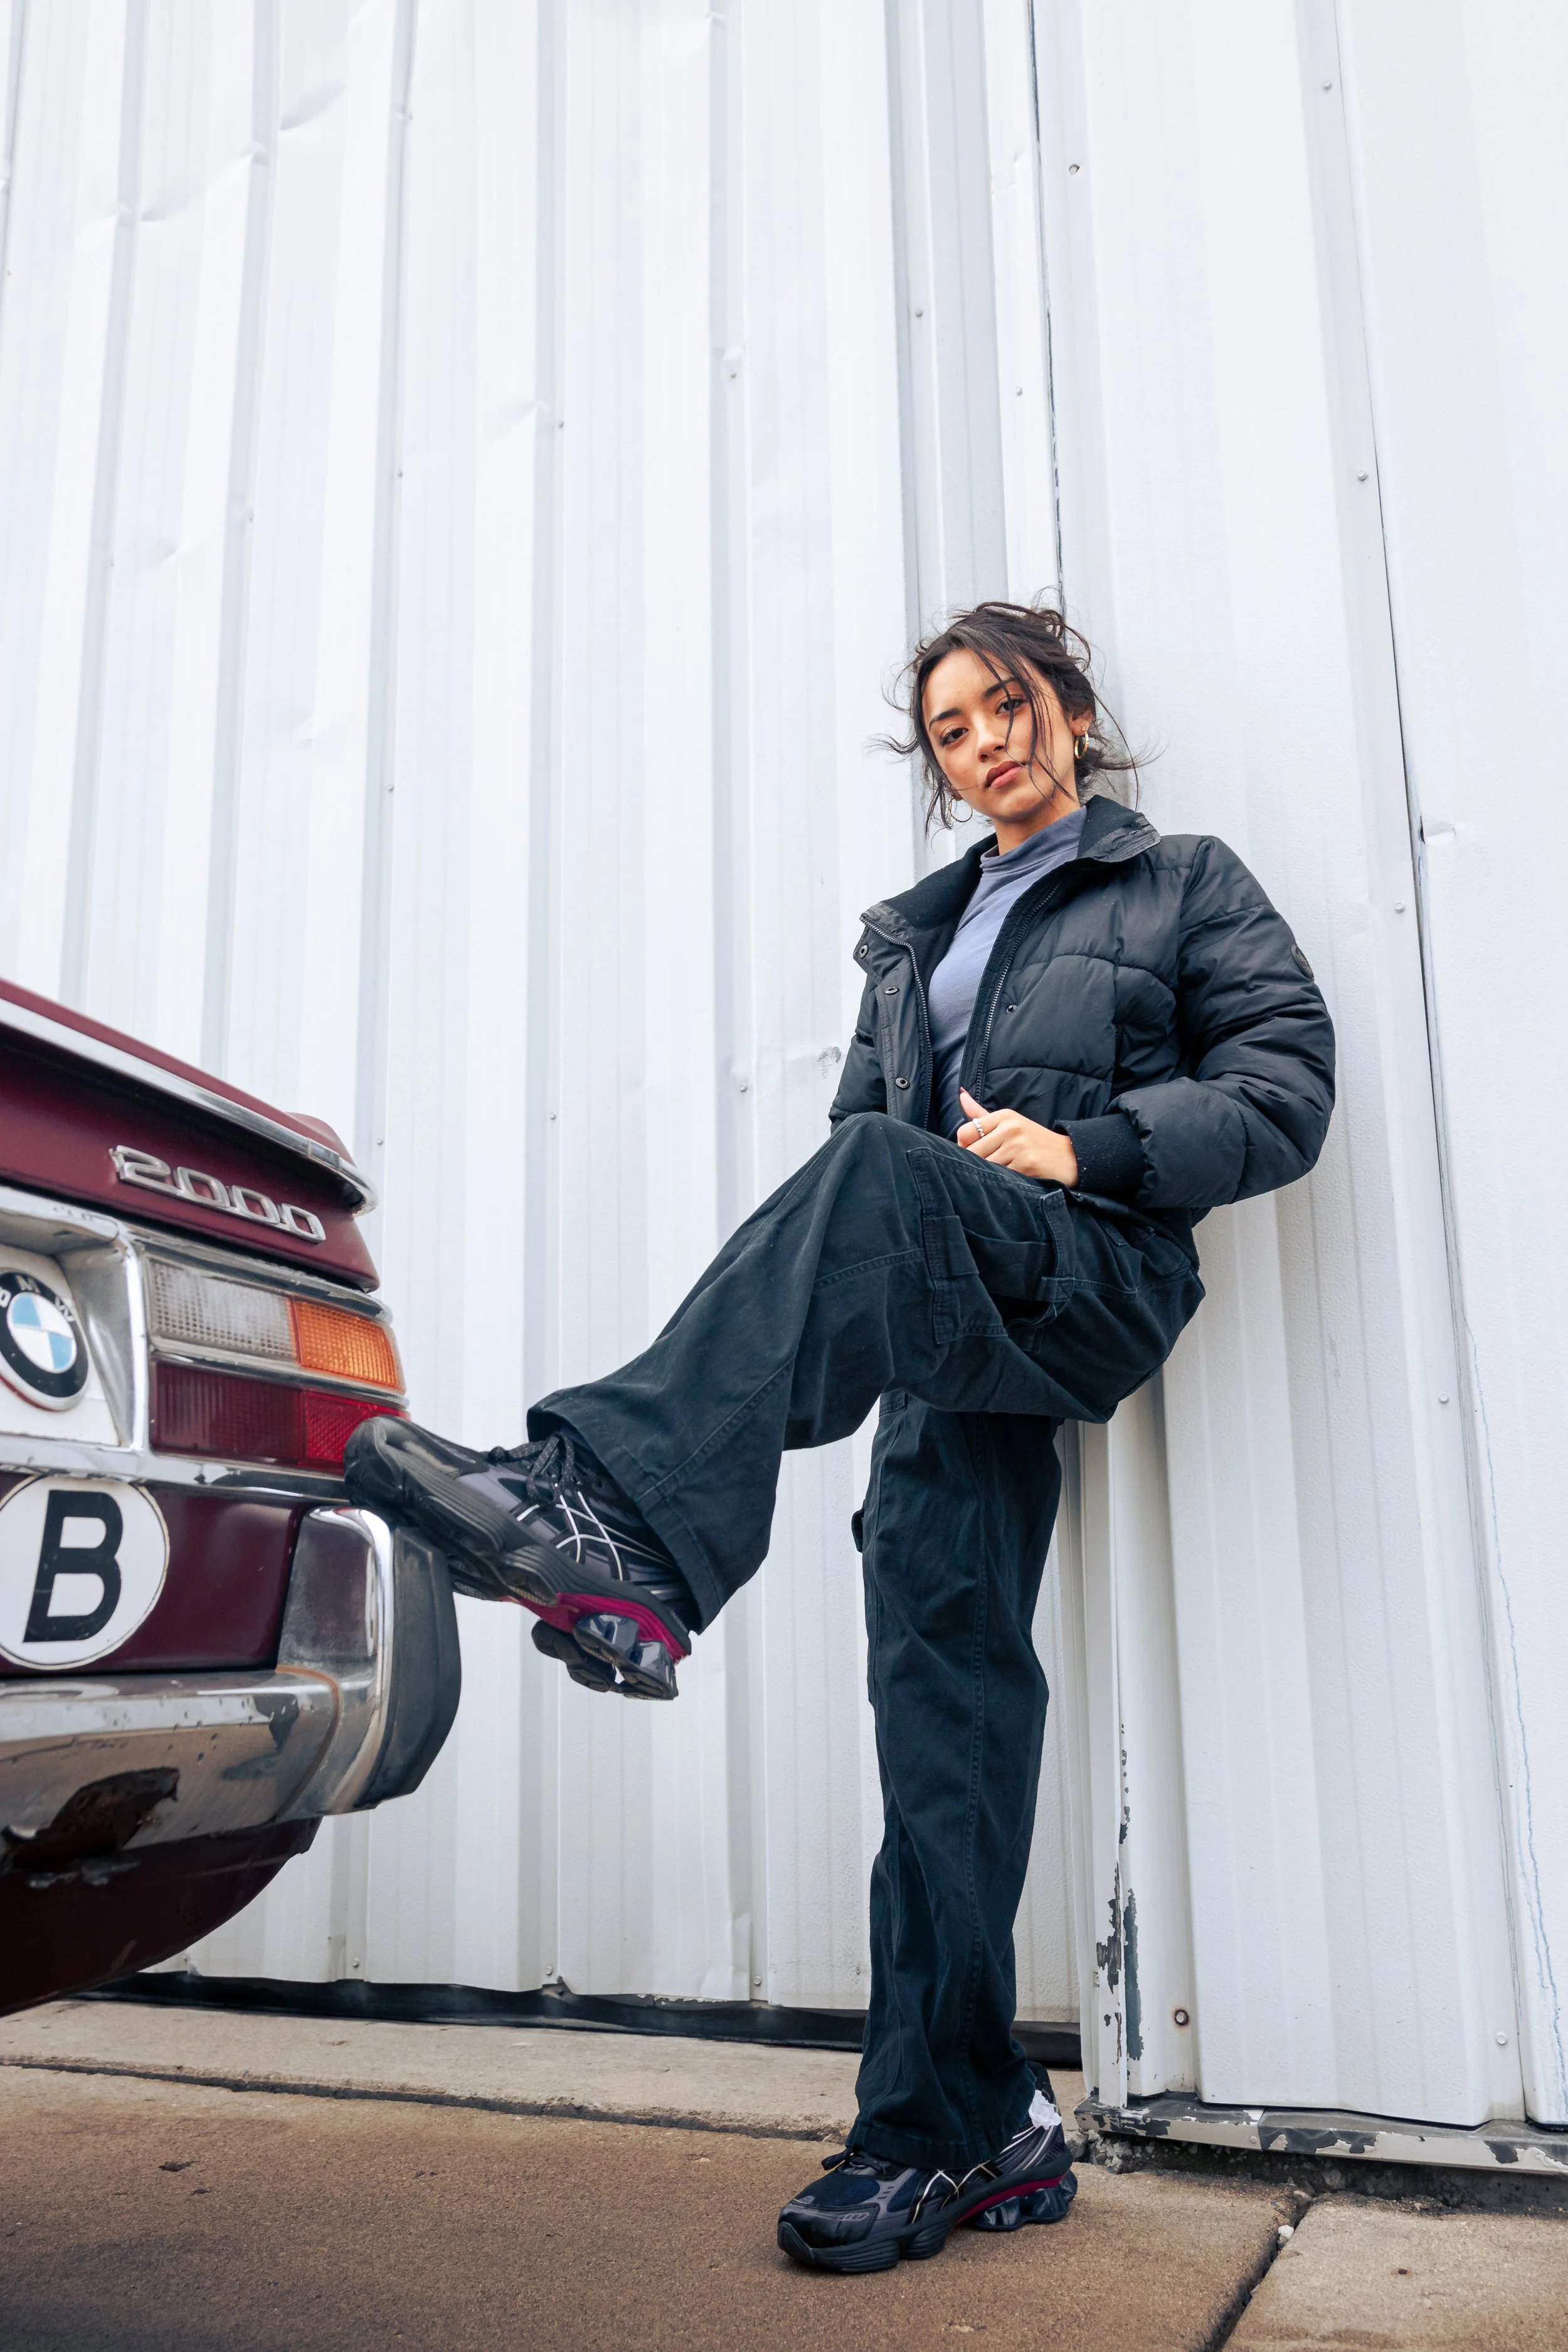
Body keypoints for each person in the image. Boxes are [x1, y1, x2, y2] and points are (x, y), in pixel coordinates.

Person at [345, 601, 1335, 2274]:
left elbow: (1284, 1083)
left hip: (1084, 1266)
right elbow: (843, 1186)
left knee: (881, 1182)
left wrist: (1083, 1148)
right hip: (949, 1330)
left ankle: (617, 1519)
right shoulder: (909, 943)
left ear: (1072, 713)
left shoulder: (1181, 884)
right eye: (951, 729)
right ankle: (954, 2125)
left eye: (1007, 707)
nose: (986, 742)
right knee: (940, 1709)